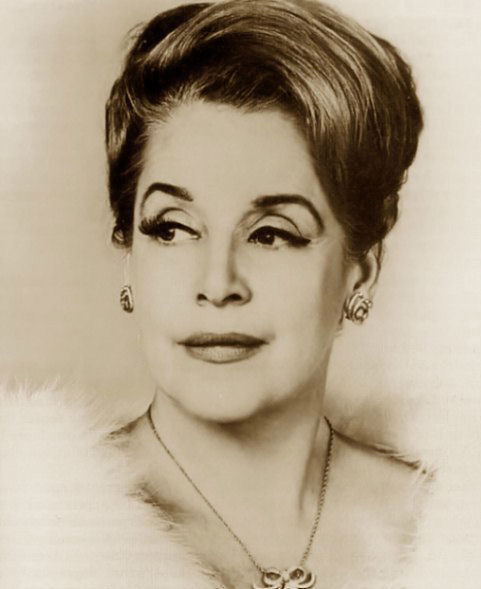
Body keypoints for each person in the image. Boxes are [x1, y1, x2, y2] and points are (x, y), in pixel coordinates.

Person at [1, 1, 428, 588]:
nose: (217, 285)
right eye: (173, 228)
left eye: (271, 234)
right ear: (130, 256)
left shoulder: (448, 529)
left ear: (361, 272)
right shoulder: (28, 523)